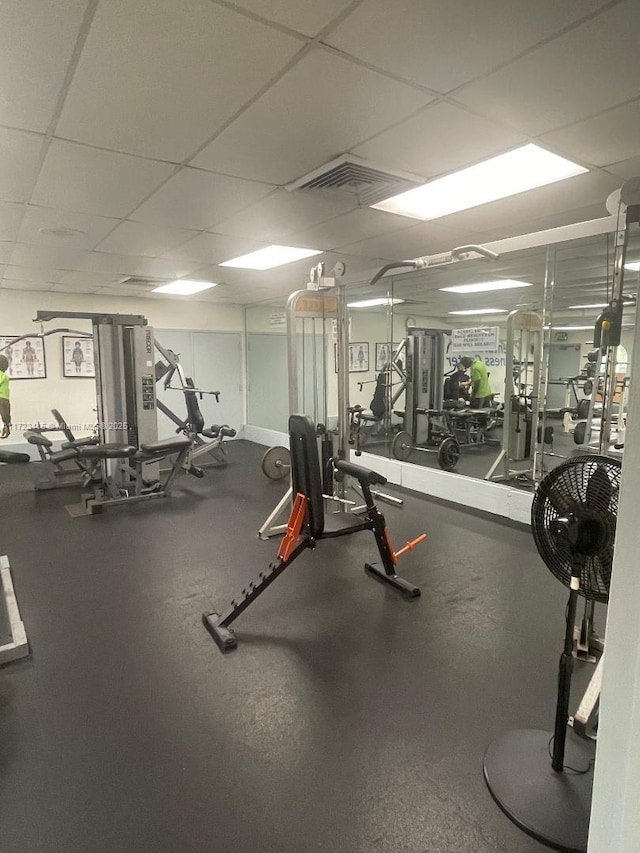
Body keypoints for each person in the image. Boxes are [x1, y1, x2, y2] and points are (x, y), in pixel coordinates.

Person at [0, 354, 11, 439]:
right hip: (4, 399)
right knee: (5, 416)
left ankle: (6, 427)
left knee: (5, 417)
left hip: (2, 399)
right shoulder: (3, 375)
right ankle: (6, 426)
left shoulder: (2, 375)